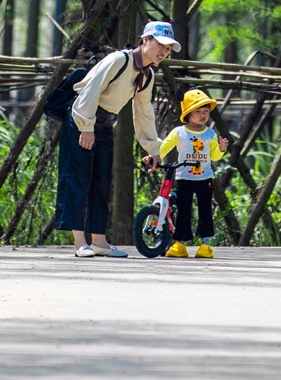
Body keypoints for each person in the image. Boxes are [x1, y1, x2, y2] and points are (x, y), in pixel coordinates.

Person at [56, 19, 181, 257]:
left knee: (102, 181)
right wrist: (86, 127)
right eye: (161, 45)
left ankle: (99, 242)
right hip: (83, 119)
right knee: (78, 178)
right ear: (145, 41)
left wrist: (153, 149)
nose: (164, 51)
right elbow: (90, 90)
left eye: (168, 48)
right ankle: (80, 242)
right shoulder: (118, 60)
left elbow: (144, 112)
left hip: (105, 124)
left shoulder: (147, 75)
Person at [158, 88, 228, 259]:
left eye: (206, 111)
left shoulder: (210, 133)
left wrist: (222, 149)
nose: (203, 115)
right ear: (188, 113)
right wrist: (153, 156)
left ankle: (205, 245)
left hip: (205, 178)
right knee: (183, 210)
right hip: (184, 178)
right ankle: (180, 244)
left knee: (205, 210)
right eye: (198, 111)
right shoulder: (179, 132)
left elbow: (214, 156)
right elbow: (164, 147)